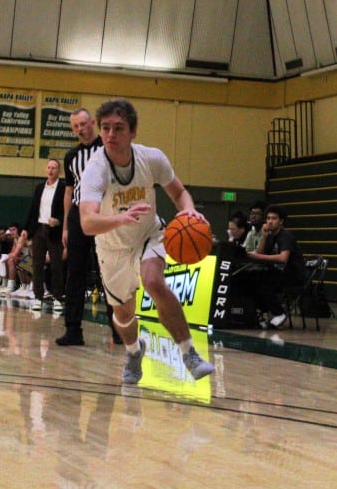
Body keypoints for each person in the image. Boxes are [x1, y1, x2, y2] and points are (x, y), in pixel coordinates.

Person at [78, 98, 214, 384]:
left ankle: (189, 352)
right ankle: (133, 351)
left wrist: (189, 211)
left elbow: (179, 193)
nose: (111, 134)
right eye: (106, 128)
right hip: (112, 246)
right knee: (123, 314)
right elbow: (87, 222)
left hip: (148, 234)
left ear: (133, 131)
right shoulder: (95, 169)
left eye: (119, 128)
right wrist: (120, 219)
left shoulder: (152, 158)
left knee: (153, 282)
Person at [57, 107, 108, 347]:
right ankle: (73, 329)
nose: (80, 129)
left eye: (84, 124)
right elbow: (69, 191)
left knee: (107, 271)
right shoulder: (71, 156)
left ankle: (119, 330)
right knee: (74, 273)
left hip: (103, 213)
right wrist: (66, 226)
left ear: (93, 123)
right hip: (78, 215)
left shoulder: (107, 149)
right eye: (76, 126)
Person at [247, 204, 307, 328]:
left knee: (262, 279)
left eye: (274, 218)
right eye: (268, 218)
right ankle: (263, 312)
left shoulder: (286, 236)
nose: (270, 221)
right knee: (251, 277)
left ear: (281, 221)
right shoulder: (269, 236)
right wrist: (264, 237)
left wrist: (258, 257)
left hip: (293, 275)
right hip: (278, 273)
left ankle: (279, 313)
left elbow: (283, 258)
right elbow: (260, 253)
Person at [25, 158, 65, 313]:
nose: (51, 170)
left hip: (54, 231)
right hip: (39, 229)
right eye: (49, 167)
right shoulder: (39, 187)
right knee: (37, 265)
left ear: (59, 171)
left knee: (56, 266)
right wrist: (26, 229)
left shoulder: (63, 188)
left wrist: (58, 221)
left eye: (54, 168)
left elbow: (67, 210)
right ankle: (38, 297)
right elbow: (33, 209)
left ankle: (57, 298)